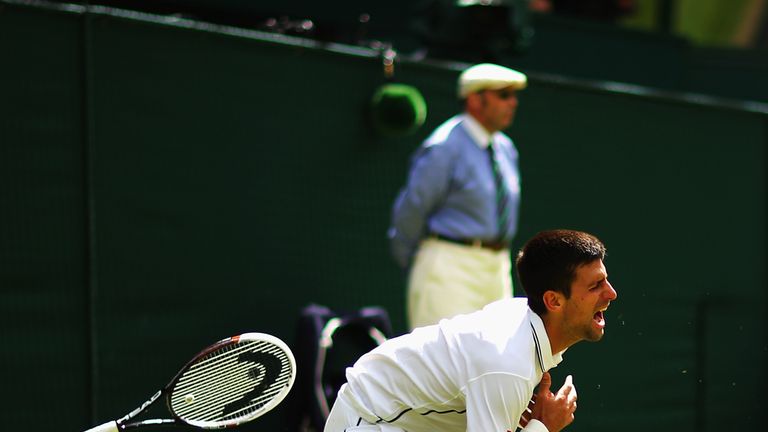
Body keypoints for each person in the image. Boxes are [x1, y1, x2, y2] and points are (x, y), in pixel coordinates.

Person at [324, 229, 618, 432]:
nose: (611, 294)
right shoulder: (507, 364)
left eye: (605, 280)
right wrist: (544, 426)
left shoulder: (522, 332)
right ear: (553, 301)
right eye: (595, 286)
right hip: (366, 420)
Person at [389, 63, 527, 329]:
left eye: (514, 95)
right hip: (448, 266)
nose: (513, 103)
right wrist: (414, 259)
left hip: (497, 268)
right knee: (443, 353)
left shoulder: (505, 148)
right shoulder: (444, 146)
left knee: (496, 352)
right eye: (504, 95)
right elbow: (413, 207)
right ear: (475, 100)